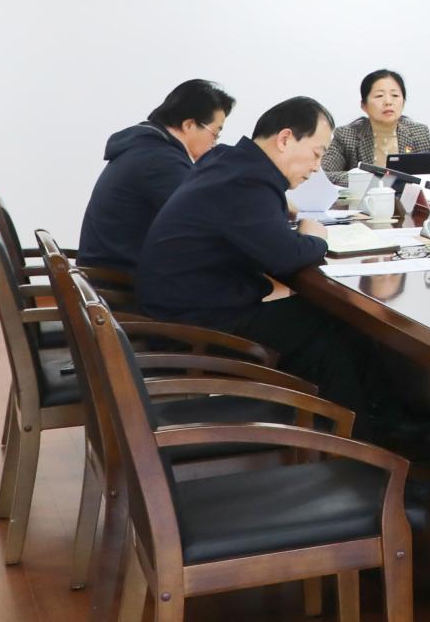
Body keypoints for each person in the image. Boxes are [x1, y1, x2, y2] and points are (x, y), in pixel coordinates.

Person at [137, 96, 409, 439]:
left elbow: (265, 237)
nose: (316, 167)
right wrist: (316, 238)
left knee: (327, 322)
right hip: (193, 324)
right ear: (285, 139)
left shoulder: (231, 163)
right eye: (316, 153)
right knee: (334, 329)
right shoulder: (246, 182)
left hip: (178, 308)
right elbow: (284, 256)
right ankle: (362, 443)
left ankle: (371, 426)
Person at [78, 78, 235, 270]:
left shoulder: (146, 147)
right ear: (189, 125)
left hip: (109, 270)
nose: (214, 143)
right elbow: (203, 221)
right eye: (215, 134)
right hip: (120, 278)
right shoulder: (161, 161)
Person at [321, 68, 430, 184]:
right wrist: (369, 179)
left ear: (403, 102)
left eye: (395, 95)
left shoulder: (419, 133)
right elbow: (323, 174)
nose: (388, 102)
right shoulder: (347, 136)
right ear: (364, 105)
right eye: (379, 96)